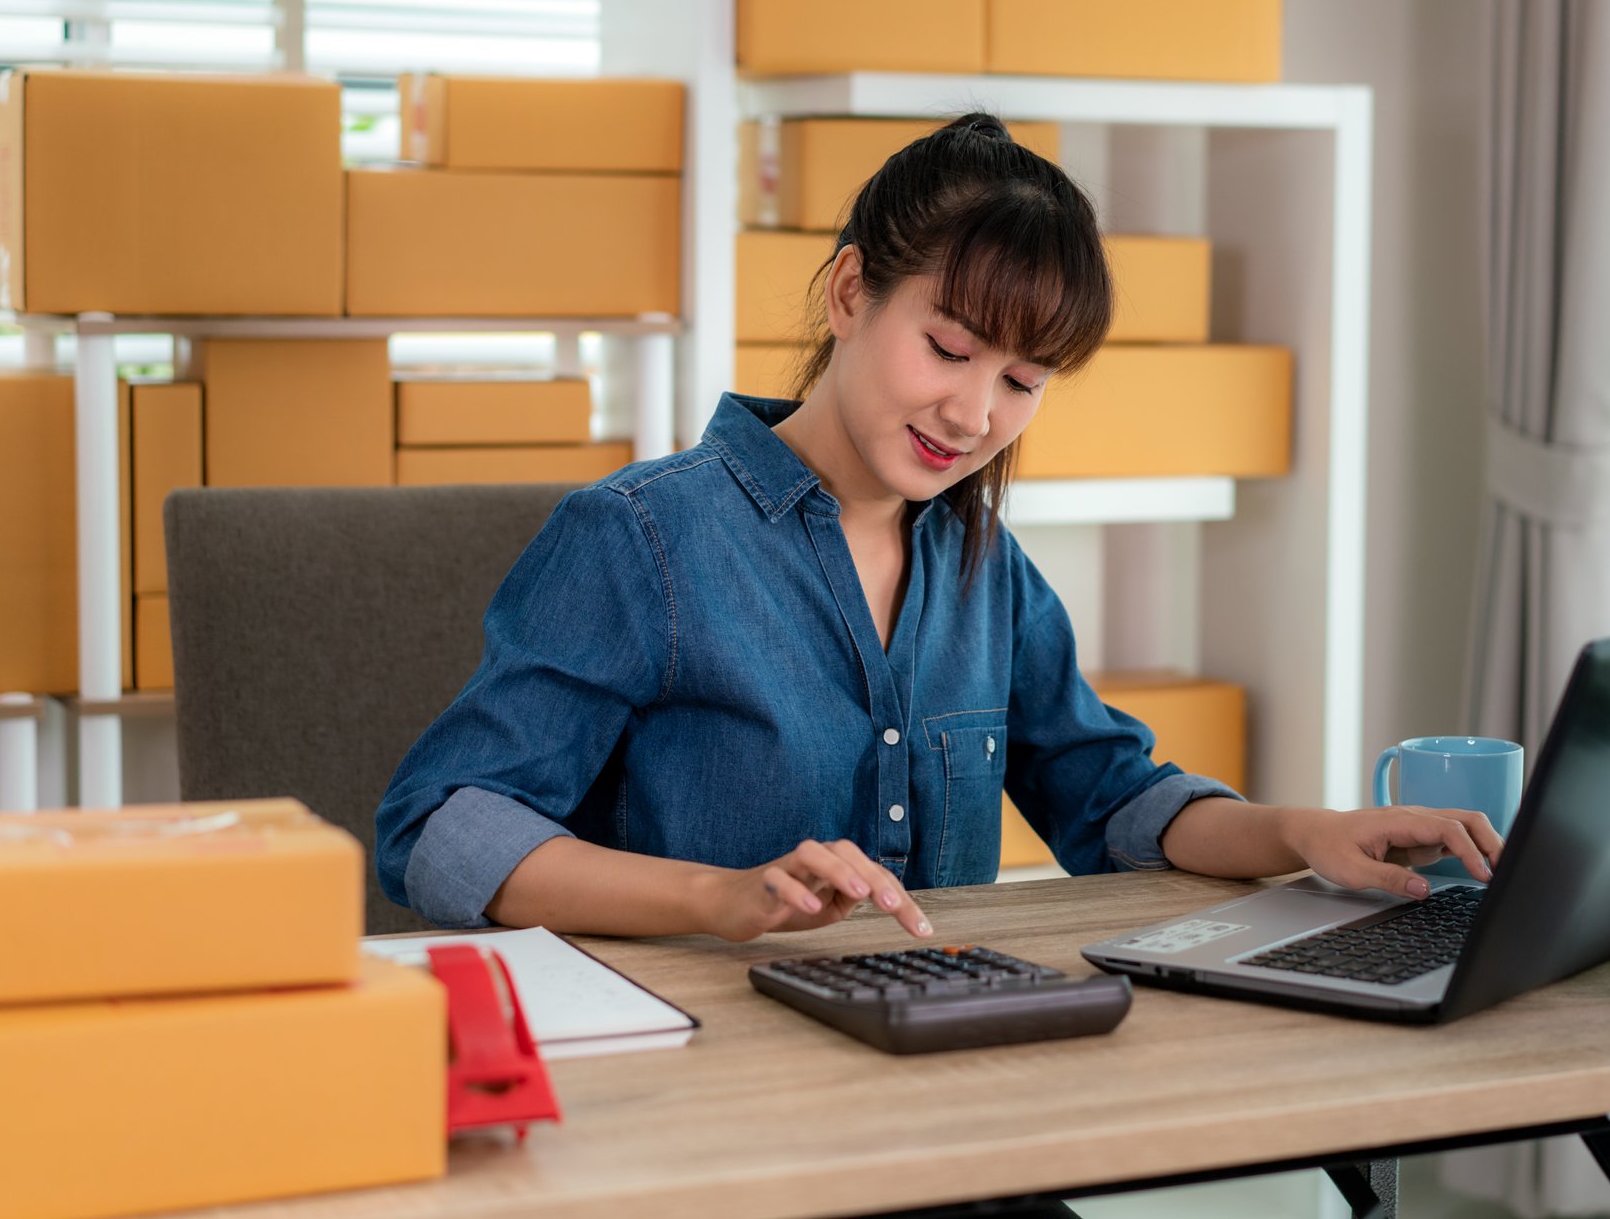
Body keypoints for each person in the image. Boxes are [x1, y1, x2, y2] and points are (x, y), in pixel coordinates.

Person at [375, 113, 1501, 941]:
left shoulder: (979, 566)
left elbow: (1108, 798)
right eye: (949, 350)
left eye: (1022, 379)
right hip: (715, 1087)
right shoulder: (642, 538)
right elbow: (437, 825)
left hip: (937, 1066)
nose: (973, 416)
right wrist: (713, 895)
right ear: (850, 293)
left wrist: (1307, 831)